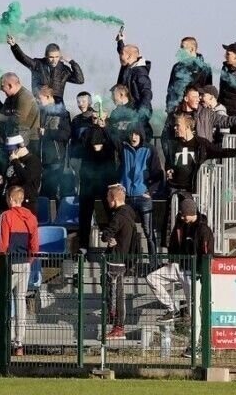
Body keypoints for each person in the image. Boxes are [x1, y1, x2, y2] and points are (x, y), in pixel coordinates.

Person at [146, 198, 213, 357]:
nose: (182, 217)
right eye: (181, 214)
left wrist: (202, 274)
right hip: (178, 267)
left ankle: (194, 347)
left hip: (193, 272)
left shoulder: (203, 230)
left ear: (191, 213)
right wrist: (171, 259)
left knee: (193, 310)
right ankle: (172, 309)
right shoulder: (179, 224)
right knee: (152, 278)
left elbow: (207, 253)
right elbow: (173, 244)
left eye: (184, 215)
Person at [0, 186, 39, 357]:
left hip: (8, 264)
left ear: (10, 199)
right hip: (24, 264)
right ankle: (19, 343)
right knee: (20, 302)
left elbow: (3, 243)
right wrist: (29, 261)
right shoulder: (31, 217)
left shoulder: (6, 216)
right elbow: (34, 246)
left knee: (0, 303)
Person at [161, 86, 236, 165]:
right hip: (180, 163)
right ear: (186, 98)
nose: (198, 99)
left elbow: (227, 120)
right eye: (194, 97)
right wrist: (169, 162)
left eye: (198, 96)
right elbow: (165, 138)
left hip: (202, 162)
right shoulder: (174, 116)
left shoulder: (206, 114)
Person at [117, 126, 163, 270]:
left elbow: (158, 174)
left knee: (149, 232)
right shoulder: (123, 148)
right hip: (127, 197)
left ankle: (154, 264)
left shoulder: (150, 150)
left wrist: (150, 192)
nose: (134, 137)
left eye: (137, 133)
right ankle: (128, 263)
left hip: (143, 197)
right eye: (131, 133)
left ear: (141, 135)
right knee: (127, 232)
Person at [100, 184, 136, 340]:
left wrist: (107, 238)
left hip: (115, 259)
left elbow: (106, 234)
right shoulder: (130, 213)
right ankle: (115, 319)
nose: (107, 201)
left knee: (116, 293)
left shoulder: (119, 216)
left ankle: (118, 325)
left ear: (113, 199)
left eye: (108, 197)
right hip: (123, 258)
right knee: (115, 292)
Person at [77, 115, 118, 253]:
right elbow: (82, 145)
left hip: (106, 178)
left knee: (111, 211)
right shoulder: (87, 131)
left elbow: (116, 144)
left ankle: (113, 244)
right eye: (94, 118)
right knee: (85, 213)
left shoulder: (110, 130)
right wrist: (94, 127)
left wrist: (104, 128)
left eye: (99, 117)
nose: (97, 119)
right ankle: (83, 245)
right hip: (88, 179)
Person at [6, 35, 84, 103]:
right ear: (46, 56)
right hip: (41, 105)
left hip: (58, 108)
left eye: (57, 57)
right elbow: (23, 58)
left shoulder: (64, 69)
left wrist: (71, 62)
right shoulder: (37, 64)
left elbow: (80, 80)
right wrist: (14, 46)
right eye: (51, 57)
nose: (54, 60)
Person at [115, 30, 153, 140]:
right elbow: (123, 53)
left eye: (122, 54)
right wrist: (120, 41)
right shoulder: (128, 66)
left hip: (136, 115)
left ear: (130, 56)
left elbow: (146, 94)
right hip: (127, 113)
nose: (120, 56)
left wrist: (139, 115)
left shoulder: (139, 73)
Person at [0, 72, 40, 151]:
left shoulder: (25, 97)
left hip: (26, 143)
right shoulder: (11, 97)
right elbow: (1, 112)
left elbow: (17, 120)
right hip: (12, 140)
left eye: (3, 87)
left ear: (10, 85)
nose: (2, 90)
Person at [36, 86, 71, 201]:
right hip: (43, 158)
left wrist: (47, 132)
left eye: (40, 98)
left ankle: (54, 217)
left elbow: (65, 134)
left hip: (55, 159)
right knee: (44, 190)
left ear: (48, 97)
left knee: (51, 190)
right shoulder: (41, 112)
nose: (38, 101)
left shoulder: (62, 113)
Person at [165, 37, 212, 113]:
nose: (180, 51)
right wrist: (169, 107)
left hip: (197, 111)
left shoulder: (204, 68)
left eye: (182, 48)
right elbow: (170, 89)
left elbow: (208, 91)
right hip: (177, 110)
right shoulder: (176, 67)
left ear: (192, 49)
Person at [2, 135, 42, 216]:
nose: (10, 153)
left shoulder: (33, 161)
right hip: (11, 201)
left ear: (21, 147)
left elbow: (26, 178)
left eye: (12, 150)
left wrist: (15, 162)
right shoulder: (13, 160)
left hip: (27, 203)